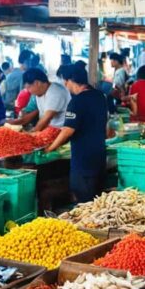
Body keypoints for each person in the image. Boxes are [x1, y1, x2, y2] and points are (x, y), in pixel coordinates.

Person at [46, 64, 108, 202]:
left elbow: (67, 131)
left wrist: (50, 148)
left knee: (84, 202)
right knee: (98, 201)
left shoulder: (77, 102)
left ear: (70, 80)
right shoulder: (99, 96)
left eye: (65, 82)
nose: (65, 85)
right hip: (100, 157)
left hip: (83, 161)